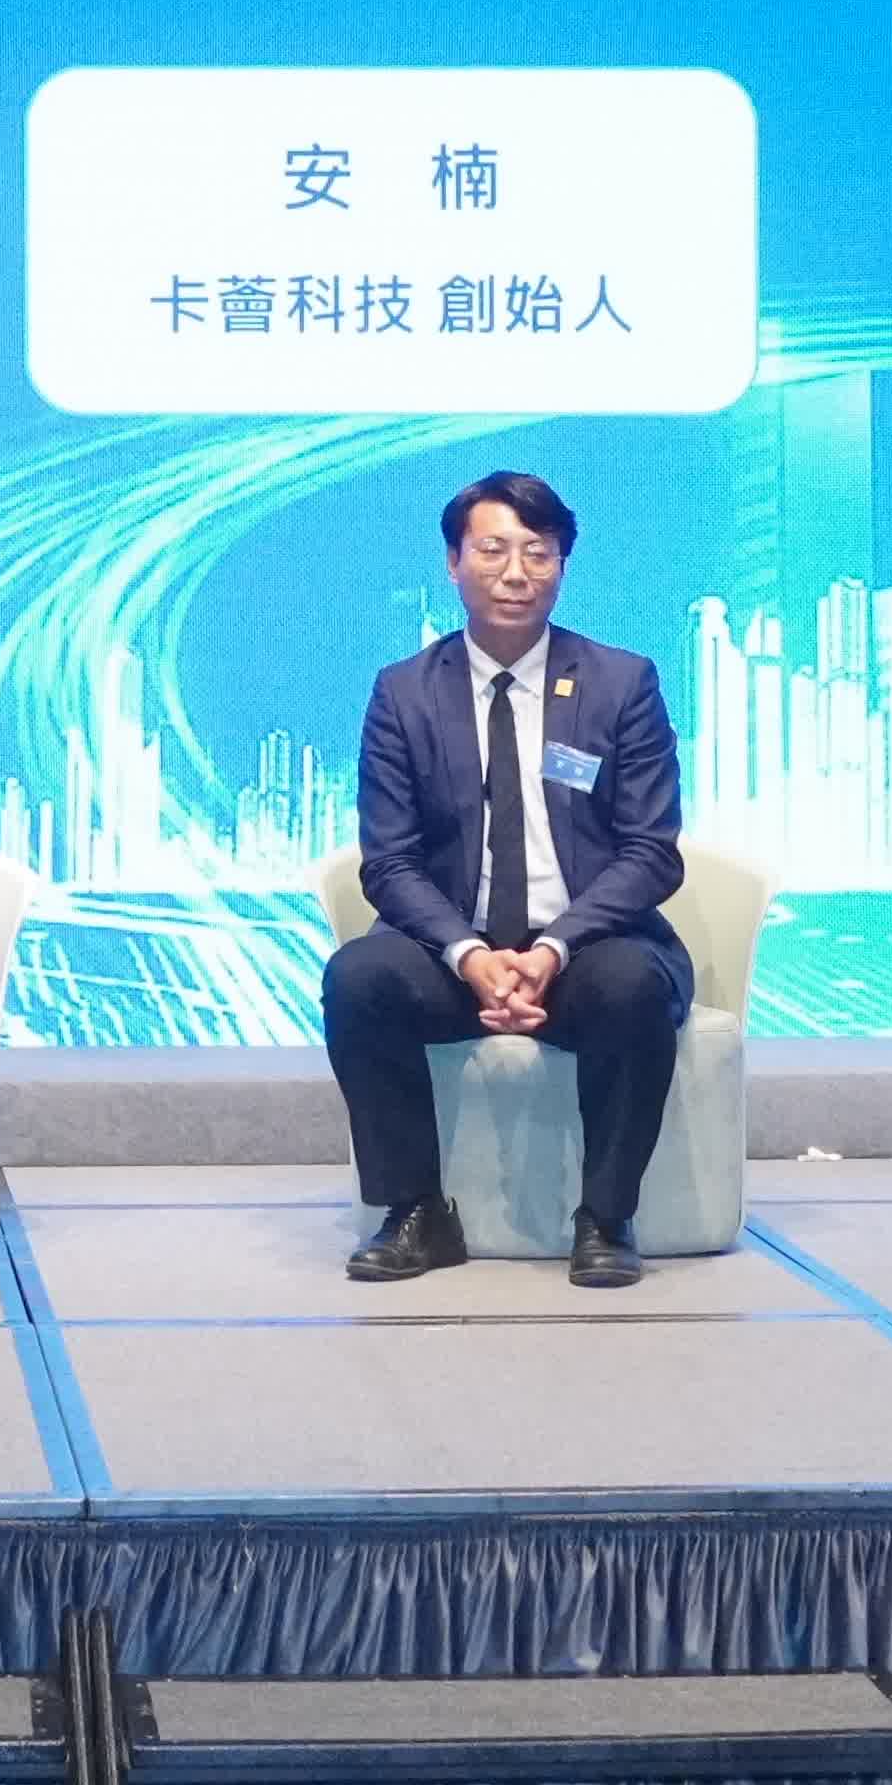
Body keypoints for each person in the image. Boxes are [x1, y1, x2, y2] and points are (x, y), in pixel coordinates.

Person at [326, 470, 693, 1291]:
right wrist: (468, 954)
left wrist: (553, 948)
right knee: (358, 977)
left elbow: (649, 851)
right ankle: (415, 1211)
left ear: (562, 564)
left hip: (589, 946)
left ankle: (606, 1217)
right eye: (492, 550)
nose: (516, 573)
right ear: (453, 562)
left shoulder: (620, 683)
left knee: (631, 984)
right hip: (455, 953)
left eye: (538, 552)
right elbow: (389, 860)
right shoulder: (403, 692)